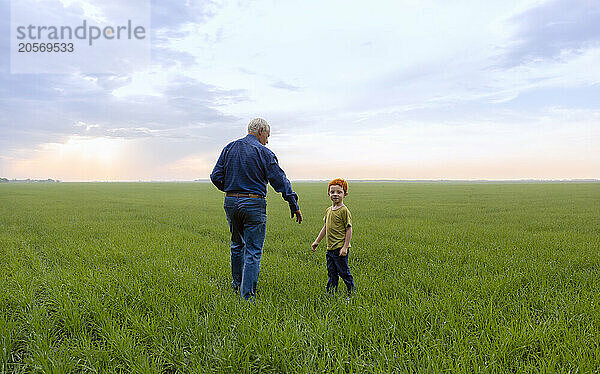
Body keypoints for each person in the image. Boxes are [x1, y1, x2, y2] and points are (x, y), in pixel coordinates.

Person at [210, 118, 303, 300]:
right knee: (253, 250)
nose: (267, 141)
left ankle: (237, 286)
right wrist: (293, 203)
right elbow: (280, 180)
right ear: (261, 131)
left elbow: (215, 176)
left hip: (230, 202)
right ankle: (247, 297)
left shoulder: (229, 148)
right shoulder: (264, 152)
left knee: (237, 245)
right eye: (267, 136)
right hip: (253, 203)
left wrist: (231, 189)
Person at [311, 178, 355, 295]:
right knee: (331, 272)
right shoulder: (328, 210)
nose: (335, 195)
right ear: (328, 194)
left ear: (345, 194)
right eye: (333, 192)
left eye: (339, 192)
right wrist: (317, 241)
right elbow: (326, 227)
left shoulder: (344, 211)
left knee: (344, 272)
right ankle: (331, 294)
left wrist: (345, 247)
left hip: (340, 248)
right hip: (330, 249)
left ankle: (351, 292)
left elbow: (349, 229)